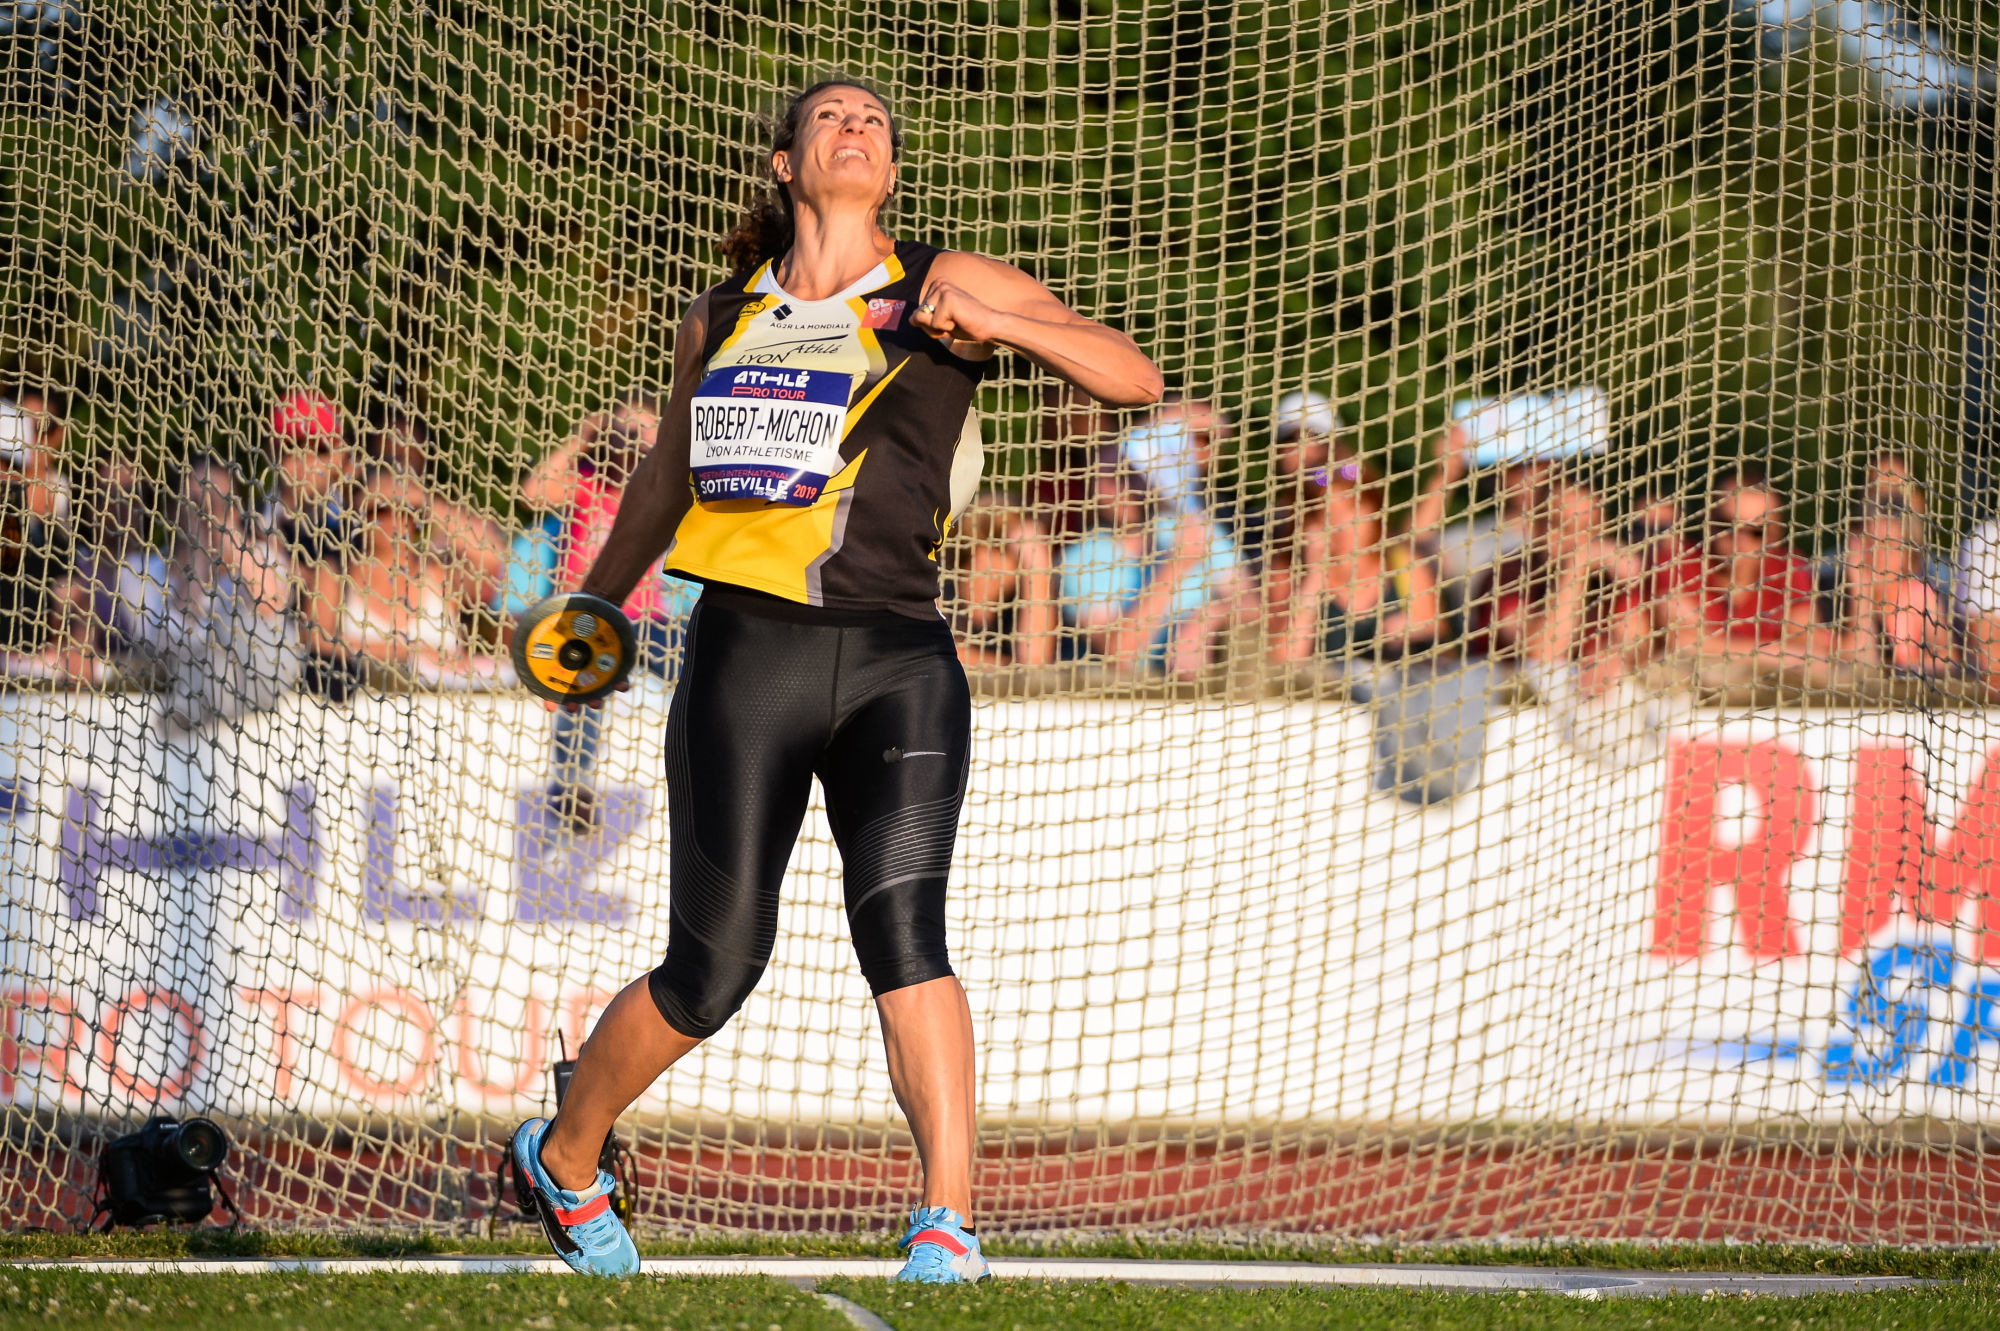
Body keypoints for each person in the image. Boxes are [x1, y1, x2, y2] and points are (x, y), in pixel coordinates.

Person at [507, 79, 1161, 1283]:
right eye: (831, 120)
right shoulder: (718, 314)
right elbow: (661, 481)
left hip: (901, 656)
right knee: (712, 967)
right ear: (784, 163)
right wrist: (593, 605)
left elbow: (1134, 378)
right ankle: (565, 1152)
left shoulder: (942, 282)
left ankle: (948, 1223)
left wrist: (1002, 329)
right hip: (747, 651)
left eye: (874, 124)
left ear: (892, 175)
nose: (855, 130)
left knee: (906, 932)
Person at [522, 393, 701, 827]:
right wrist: (584, 434)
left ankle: (712, 765)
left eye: (644, 430)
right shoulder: (587, 480)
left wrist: (664, 439)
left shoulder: (664, 488)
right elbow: (532, 493)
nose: (635, 440)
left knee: (701, 662)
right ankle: (572, 788)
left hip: (644, 620)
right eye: (627, 429)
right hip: (586, 619)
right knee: (577, 694)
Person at [1662, 474, 1825, 665]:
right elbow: (1684, 644)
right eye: (1728, 526)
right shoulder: (1679, 564)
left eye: (1757, 532)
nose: (1740, 541)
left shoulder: (1787, 569)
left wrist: (1719, 647)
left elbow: (1809, 646)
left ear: (1775, 534)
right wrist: (1777, 650)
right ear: (1708, 520)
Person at [942, 492, 1060, 671]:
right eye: (1018, 553)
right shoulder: (941, 595)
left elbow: (1036, 662)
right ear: (982, 551)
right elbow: (946, 656)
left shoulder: (1014, 607)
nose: (1024, 568)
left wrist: (1038, 576)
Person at [1834, 509, 1956, 674]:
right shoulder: (1836, 597)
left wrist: (1904, 668)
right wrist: (1860, 592)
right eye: (1870, 543)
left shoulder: (1917, 596)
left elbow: (1948, 656)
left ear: (1907, 555)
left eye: (1889, 545)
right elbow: (1852, 658)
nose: (1878, 554)